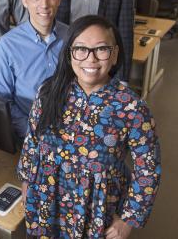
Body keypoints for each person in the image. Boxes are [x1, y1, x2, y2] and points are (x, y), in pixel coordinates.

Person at [17, 15, 161, 238]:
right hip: (47, 200)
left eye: (101, 49)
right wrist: (27, 181)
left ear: (114, 55)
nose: (90, 59)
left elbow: (148, 170)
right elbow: (32, 140)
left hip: (95, 213)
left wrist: (128, 219)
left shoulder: (132, 108)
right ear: (69, 54)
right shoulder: (49, 92)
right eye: (81, 49)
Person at [0, 0, 68, 146]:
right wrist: (33, 134)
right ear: (24, 0)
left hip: (70, 132)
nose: (44, 4)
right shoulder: (7, 46)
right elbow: (2, 101)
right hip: (30, 137)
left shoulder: (72, 37)